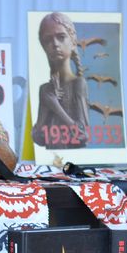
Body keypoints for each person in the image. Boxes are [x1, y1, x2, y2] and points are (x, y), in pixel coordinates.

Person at [32, 12, 90, 152]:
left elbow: (83, 134)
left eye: (61, 37)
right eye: (48, 40)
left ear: (73, 42)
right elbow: (38, 138)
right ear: (44, 46)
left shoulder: (78, 84)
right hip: (52, 159)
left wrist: (55, 106)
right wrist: (47, 106)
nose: (55, 44)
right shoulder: (45, 89)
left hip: (75, 160)